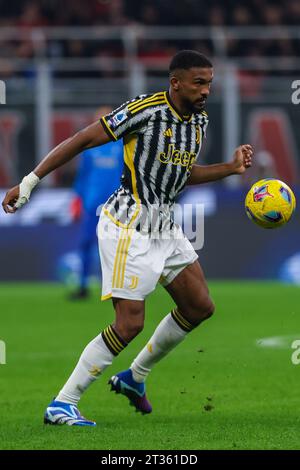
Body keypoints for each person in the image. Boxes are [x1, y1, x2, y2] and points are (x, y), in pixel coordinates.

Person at [2, 50, 253, 427]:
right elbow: (84, 139)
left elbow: (179, 175)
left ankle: (134, 377)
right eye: (199, 83)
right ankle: (62, 403)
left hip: (165, 227)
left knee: (199, 306)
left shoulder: (198, 121)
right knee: (129, 324)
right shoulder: (145, 110)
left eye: (209, 83)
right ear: (176, 82)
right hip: (127, 227)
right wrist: (30, 181)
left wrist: (230, 169)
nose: (206, 90)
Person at [69, 107, 123, 299]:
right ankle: (83, 286)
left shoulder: (122, 144)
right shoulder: (90, 147)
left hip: (116, 205)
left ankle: (114, 286)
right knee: (86, 243)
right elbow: (82, 176)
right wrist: (77, 200)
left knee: (116, 246)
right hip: (92, 204)